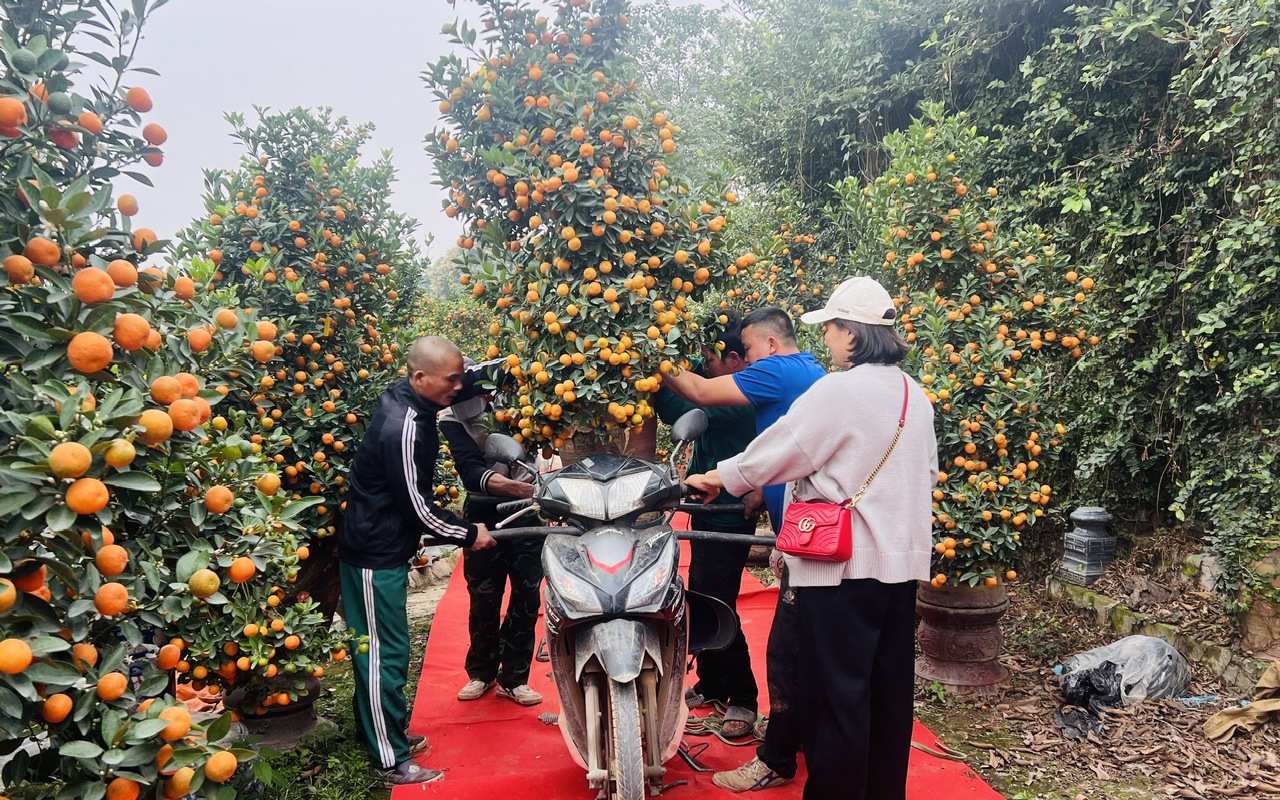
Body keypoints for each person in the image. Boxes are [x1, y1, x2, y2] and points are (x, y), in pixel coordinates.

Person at [686, 277, 938, 800]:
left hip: (841, 569)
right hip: (899, 569)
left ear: (853, 332)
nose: (826, 337)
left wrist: (718, 476)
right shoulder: (914, 395)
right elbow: (928, 474)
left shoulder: (839, 391)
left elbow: (782, 450)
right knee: (888, 696)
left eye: (831, 327)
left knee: (836, 698)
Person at [663, 306, 826, 790]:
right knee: (791, 637)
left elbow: (695, 395)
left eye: (749, 351)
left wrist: (647, 353)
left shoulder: (775, 372)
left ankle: (772, 741)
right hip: (793, 527)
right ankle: (779, 722)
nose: (748, 360)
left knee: (787, 645)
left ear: (768, 345)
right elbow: (778, 447)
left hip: (798, 529)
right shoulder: (802, 372)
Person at [338, 336, 497, 787]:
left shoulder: (413, 397)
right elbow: (417, 508)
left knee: (382, 650)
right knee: (381, 656)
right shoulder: (404, 427)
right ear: (420, 377)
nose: (459, 387)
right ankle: (389, 760)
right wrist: (469, 533)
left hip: (382, 544)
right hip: (374, 555)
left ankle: (378, 734)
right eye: (452, 380)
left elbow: (470, 379)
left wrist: (488, 376)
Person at [652, 310, 760, 739]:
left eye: (708, 360)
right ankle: (714, 682)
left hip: (729, 513)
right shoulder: (721, 377)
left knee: (719, 601)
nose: (702, 368)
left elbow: (675, 406)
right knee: (699, 594)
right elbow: (691, 382)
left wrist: (650, 368)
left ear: (733, 360)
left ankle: (744, 697)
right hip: (707, 508)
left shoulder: (739, 399)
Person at [439, 392, 545, 706]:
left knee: (527, 595)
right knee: (484, 595)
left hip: (529, 510)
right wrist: (523, 489)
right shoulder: (450, 418)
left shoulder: (524, 401)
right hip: (484, 509)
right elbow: (470, 470)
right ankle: (482, 672)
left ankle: (514, 678)